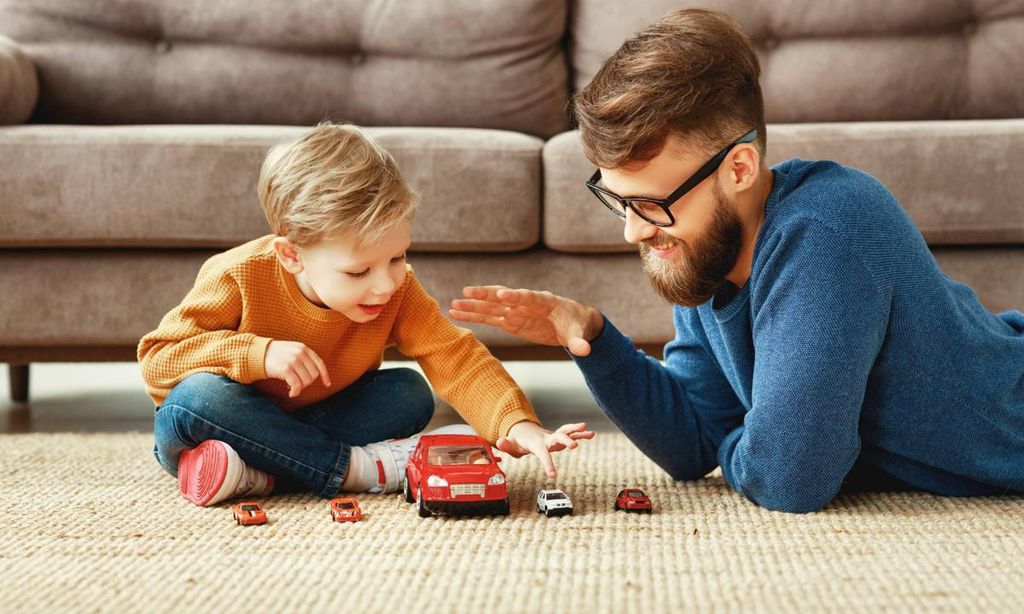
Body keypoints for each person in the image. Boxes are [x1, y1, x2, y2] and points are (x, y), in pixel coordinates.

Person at [449, 9, 1024, 513]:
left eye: (651, 203)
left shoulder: (827, 230)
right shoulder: (708, 252)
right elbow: (695, 439)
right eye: (619, 201)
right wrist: (594, 339)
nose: (632, 231)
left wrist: (753, 440)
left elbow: (790, 478)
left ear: (740, 169)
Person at [139, 123, 593, 507]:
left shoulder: (397, 289)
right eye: (358, 271)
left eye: (397, 257)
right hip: (217, 421)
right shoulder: (237, 274)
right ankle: (353, 469)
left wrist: (518, 424)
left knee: (409, 393)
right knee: (196, 397)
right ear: (292, 256)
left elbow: (455, 356)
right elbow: (158, 361)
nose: (385, 283)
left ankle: (261, 471)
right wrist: (258, 353)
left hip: (315, 421)